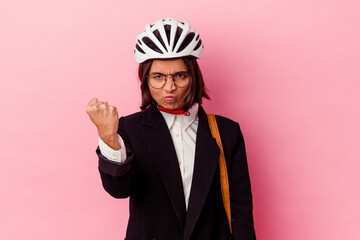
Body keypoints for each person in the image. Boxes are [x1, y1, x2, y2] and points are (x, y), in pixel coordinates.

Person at [86, 18, 256, 240]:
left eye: (180, 75)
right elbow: (119, 190)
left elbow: (241, 212)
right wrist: (109, 137)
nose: (169, 87)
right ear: (145, 79)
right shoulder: (130, 128)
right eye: (158, 77)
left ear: (193, 76)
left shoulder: (227, 132)